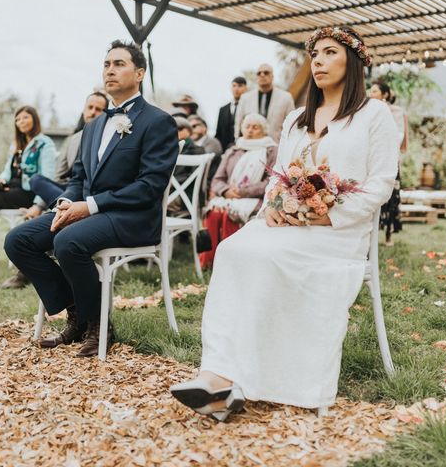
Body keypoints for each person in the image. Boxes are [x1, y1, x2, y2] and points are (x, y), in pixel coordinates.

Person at [170, 26, 399, 421]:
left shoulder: (373, 115)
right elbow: (278, 177)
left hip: (337, 231)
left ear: (354, 61)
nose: (320, 61)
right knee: (231, 250)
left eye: (330, 53)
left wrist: (332, 215)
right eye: (316, 55)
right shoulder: (296, 118)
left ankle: (260, 379)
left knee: (264, 258)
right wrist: (271, 207)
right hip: (285, 222)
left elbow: (381, 183)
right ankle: (216, 376)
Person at [4, 40, 178, 357]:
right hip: (89, 213)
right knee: (18, 240)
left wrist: (91, 205)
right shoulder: (94, 125)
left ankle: (100, 326)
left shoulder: (158, 122)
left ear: (139, 73)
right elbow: (79, 178)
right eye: (106, 64)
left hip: (134, 217)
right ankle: (76, 311)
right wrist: (66, 204)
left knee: (67, 241)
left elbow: (149, 186)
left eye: (119, 64)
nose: (110, 70)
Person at [1, 92, 108, 289]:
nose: (92, 112)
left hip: (93, 196)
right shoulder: (74, 139)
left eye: (98, 109)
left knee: (48, 217)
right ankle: (56, 210)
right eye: (89, 107)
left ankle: (25, 271)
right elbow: (58, 176)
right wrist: (44, 203)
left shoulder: (110, 138)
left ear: (106, 112)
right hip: (68, 189)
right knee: (38, 181)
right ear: (83, 110)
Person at [0, 106, 56, 264]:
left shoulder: (45, 144)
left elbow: (47, 177)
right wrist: (2, 179)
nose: (20, 121)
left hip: (29, 192)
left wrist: (39, 204)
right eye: (17, 119)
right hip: (11, 186)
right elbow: (7, 170)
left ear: (34, 119)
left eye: (25, 117)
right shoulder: (16, 144)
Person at [199, 113, 277, 269]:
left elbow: (271, 181)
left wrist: (243, 192)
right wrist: (226, 191)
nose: (250, 130)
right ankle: (208, 262)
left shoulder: (271, 150)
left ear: (264, 131)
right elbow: (217, 179)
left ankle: (232, 263)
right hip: (229, 197)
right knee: (213, 213)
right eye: (247, 127)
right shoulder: (233, 150)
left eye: (255, 127)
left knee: (230, 215)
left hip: (256, 199)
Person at [370, 80, 408, 246]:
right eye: (370, 91)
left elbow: (399, 135)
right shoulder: (367, 111)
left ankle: (389, 235)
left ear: (384, 95)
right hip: (371, 159)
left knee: (391, 197)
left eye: (375, 91)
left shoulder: (396, 112)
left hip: (390, 159)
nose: (371, 94)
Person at [234, 63, 295, 144]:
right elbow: (238, 124)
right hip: (249, 147)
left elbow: (292, 125)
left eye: (266, 73)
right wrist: (238, 142)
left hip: (276, 147)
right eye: (259, 73)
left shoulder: (286, 97)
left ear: (272, 76)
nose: (262, 75)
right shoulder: (245, 98)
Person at [215, 76, 247, 152]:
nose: (236, 88)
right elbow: (219, 133)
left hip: (244, 149)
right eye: (234, 86)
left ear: (245, 88)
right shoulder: (223, 109)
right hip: (225, 150)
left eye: (240, 86)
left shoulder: (249, 108)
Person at [189, 115, 222, 185]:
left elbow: (202, 161)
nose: (191, 130)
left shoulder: (213, 142)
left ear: (204, 128)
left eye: (194, 126)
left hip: (207, 183)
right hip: (189, 181)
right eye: (189, 127)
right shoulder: (188, 144)